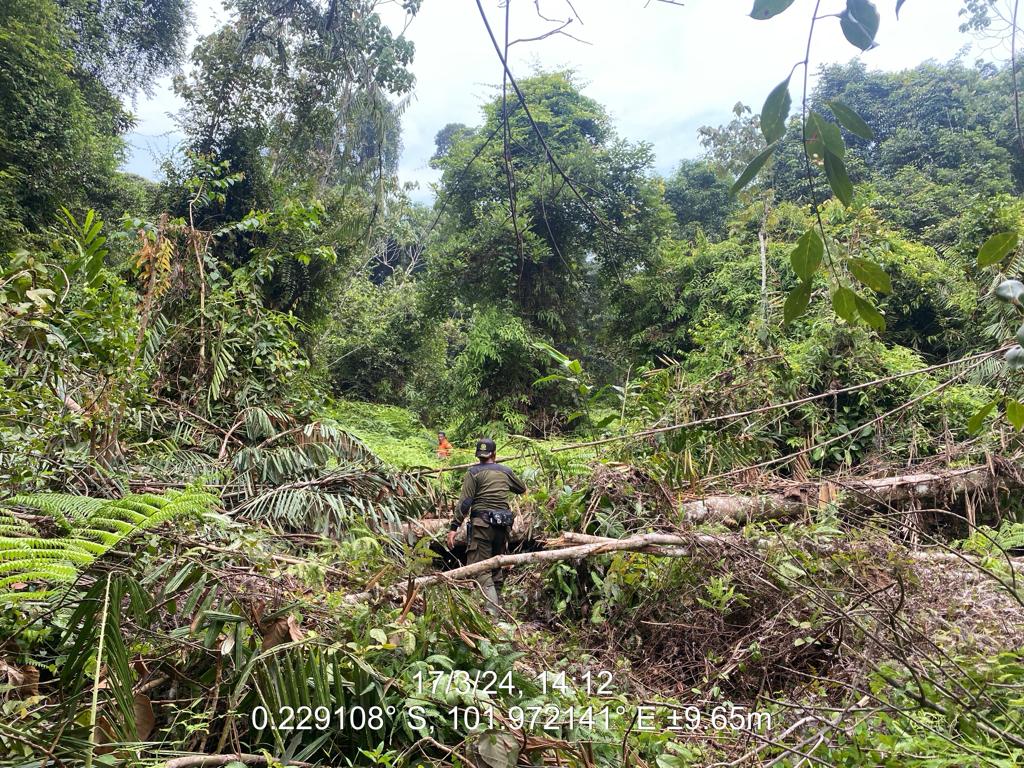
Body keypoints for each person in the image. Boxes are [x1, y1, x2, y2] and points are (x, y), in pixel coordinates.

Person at [446, 438, 526, 615]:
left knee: (482, 568)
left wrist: (453, 527)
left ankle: (492, 615)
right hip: (503, 525)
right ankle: (498, 610)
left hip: (481, 526)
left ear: (479, 456)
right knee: (496, 565)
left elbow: (466, 502)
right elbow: (521, 488)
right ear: (494, 455)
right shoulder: (505, 471)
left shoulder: (473, 472)